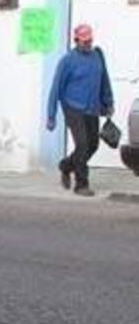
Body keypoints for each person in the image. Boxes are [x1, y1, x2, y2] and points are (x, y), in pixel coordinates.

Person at [46, 23, 114, 197]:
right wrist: (51, 115)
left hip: (92, 107)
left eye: (90, 40)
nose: (88, 44)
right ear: (76, 40)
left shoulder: (98, 55)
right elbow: (56, 88)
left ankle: (66, 166)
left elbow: (104, 80)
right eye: (84, 41)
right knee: (82, 144)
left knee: (93, 145)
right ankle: (81, 184)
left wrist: (108, 103)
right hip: (73, 108)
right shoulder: (67, 61)